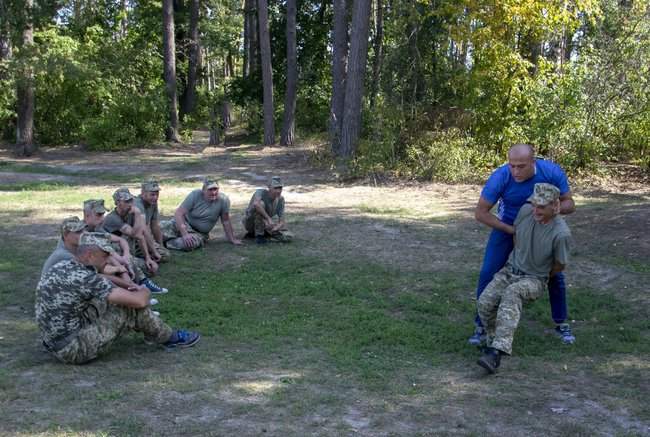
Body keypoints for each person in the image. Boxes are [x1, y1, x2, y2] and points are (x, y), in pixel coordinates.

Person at [35, 232, 200, 364]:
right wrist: (143, 290)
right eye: (105, 255)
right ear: (90, 255)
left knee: (106, 299)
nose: (108, 259)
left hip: (52, 341)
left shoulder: (64, 265)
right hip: (71, 349)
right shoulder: (86, 279)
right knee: (129, 308)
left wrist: (125, 285)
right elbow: (139, 301)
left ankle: (152, 330)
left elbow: (101, 278)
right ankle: (169, 337)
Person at [469, 144, 576, 346]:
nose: (515, 171)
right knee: (489, 271)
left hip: (543, 226)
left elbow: (570, 203)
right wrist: (512, 230)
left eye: (521, 166)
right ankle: (481, 326)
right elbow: (480, 213)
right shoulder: (500, 177)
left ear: (533, 163)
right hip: (508, 227)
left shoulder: (551, 172)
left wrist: (552, 210)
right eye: (512, 166)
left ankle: (561, 323)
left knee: (555, 275)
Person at [476, 183, 572, 373]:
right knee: (485, 302)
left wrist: (540, 274)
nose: (536, 210)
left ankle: (496, 353)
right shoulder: (525, 211)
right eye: (534, 204)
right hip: (511, 270)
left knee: (512, 294)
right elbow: (517, 237)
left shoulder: (561, 234)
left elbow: (560, 265)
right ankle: (492, 340)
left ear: (555, 206)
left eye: (542, 207)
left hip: (535, 279)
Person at [83, 198, 168, 295]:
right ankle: (135, 289)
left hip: (107, 261)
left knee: (125, 261)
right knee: (119, 264)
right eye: (98, 215)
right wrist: (121, 263)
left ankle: (137, 286)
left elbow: (122, 240)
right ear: (87, 215)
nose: (102, 218)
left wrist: (126, 255)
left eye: (102, 214)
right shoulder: (82, 232)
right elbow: (135, 235)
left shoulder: (97, 228)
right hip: (91, 269)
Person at [161, 178, 242, 250]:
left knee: (187, 244)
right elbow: (178, 213)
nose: (213, 192)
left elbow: (226, 221)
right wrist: (185, 233)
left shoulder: (223, 200)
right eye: (210, 190)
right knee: (160, 228)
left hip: (199, 233)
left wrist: (232, 239)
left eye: (215, 189)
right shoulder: (195, 195)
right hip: (185, 224)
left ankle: (164, 244)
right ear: (203, 190)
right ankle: (160, 241)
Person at [102, 187, 161, 276]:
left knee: (159, 260)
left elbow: (141, 235)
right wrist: (137, 215)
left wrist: (148, 257)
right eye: (126, 201)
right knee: (149, 270)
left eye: (131, 201)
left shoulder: (130, 213)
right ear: (117, 203)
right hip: (115, 254)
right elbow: (136, 234)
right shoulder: (112, 218)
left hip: (129, 249)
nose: (130, 204)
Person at [243, 176, 293, 244]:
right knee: (261, 204)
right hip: (250, 222)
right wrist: (268, 219)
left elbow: (282, 221)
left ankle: (264, 233)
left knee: (289, 236)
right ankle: (259, 235)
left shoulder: (280, 199)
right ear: (269, 187)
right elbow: (256, 204)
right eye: (275, 188)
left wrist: (275, 228)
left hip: (266, 224)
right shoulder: (260, 192)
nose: (278, 191)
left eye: (280, 188)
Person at [134, 179, 170, 262]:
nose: (155, 197)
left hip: (142, 236)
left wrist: (161, 246)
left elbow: (154, 225)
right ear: (143, 193)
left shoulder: (152, 203)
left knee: (163, 252)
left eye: (157, 194)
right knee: (164, 256)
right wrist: (154, 250)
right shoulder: (138, 204)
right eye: (152, 195)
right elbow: (144, 229)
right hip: (135, 238)